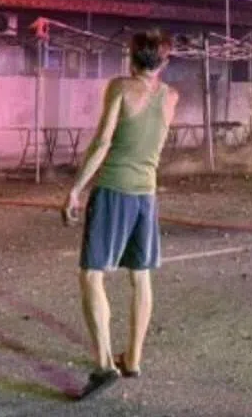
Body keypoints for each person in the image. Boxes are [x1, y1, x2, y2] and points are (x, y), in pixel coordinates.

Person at [63, 31, 178, 400]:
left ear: (131, 57)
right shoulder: (171, 97)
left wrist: (76, 189)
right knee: (140, 276)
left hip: (114, 189)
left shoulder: (120, 88)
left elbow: (102, 142)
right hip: (146, 193)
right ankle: (134, 359)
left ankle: (103, 366)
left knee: (92, 274)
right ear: (165, 61)